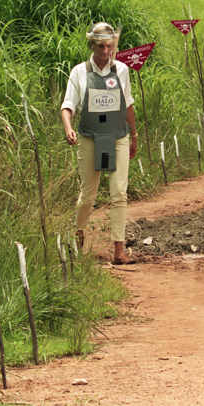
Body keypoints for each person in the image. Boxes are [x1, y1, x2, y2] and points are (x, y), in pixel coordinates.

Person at [61, 22, 139, 265]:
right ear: (92, 46)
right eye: (101, 46)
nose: (106, 51)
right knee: (88, 195)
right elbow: (67, 106)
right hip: (89, 137)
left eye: (110, 46)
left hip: (118, 137)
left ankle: (119, 250)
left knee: (119, 193)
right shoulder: (79, 72)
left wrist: (134, 136)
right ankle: (79, 239)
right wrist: (68, 128)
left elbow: (127, 105)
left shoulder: (122, 70)